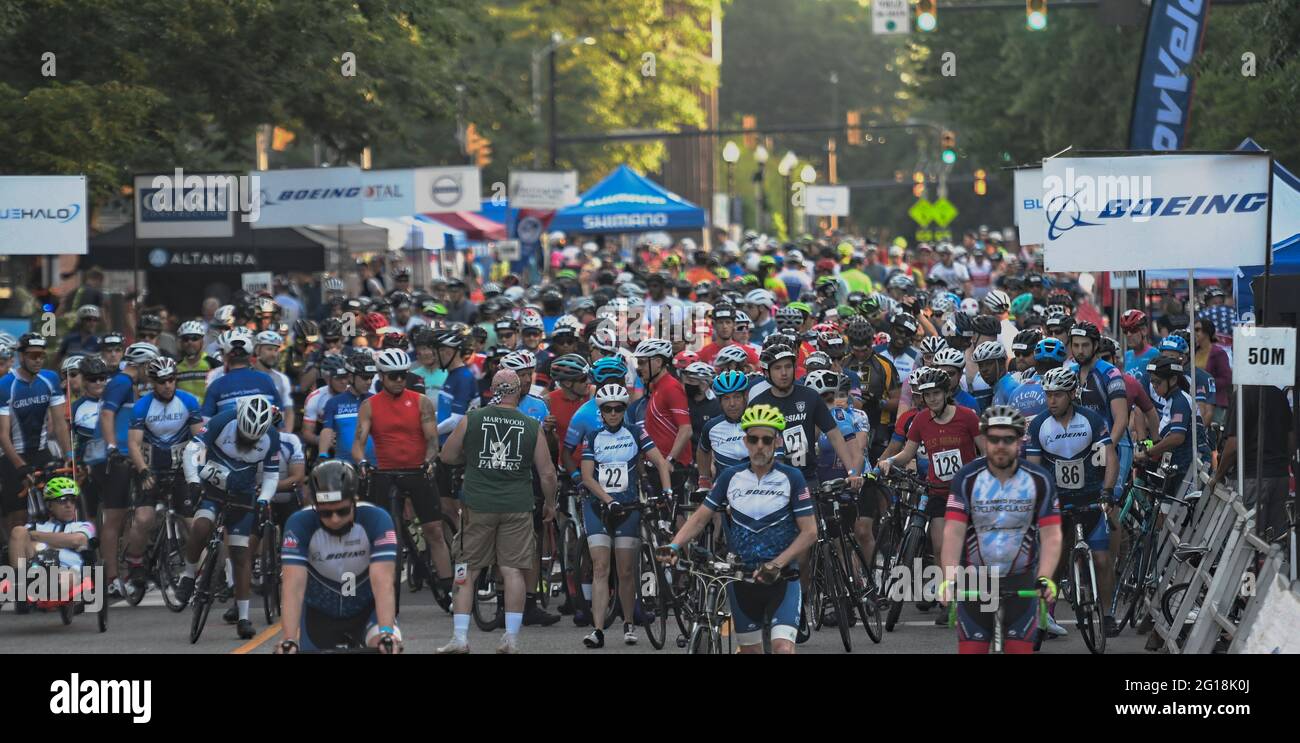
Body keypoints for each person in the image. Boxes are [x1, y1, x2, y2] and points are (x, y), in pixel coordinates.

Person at [657, 404, 817, 654]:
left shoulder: (792, 477)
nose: (760, 446)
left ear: (776, 441)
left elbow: (810, 532)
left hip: (781, 579)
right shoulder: (730, 477)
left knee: (783, 649)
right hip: (741, 578)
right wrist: (675, 544)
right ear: (745, 441)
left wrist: (777, 564)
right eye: (753, 439)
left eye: (766, 439)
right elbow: (700, 518)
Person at [436, 370, 558, 655]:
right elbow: (548, 473)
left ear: (492, 390)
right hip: (517, 505)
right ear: (518, 391)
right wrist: (550, 504)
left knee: (467, 568)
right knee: (513, 570)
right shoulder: (531, 424)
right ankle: (511, 639)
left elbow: (448, 455)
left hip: (478, 504)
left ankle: (460, 638)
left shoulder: (473, 418)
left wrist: (473, 456)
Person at [939, 405, 1061, 654]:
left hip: (1022, 581)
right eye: (994, 439)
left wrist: (1045, 576)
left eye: (1008, 439)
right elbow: (953, 531)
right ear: (984, 440)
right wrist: (949, 577)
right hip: (976, 582)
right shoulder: (967, 478)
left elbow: (1051, 535)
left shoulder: (1039, 479)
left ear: (1019, 441)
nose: (1001, 445)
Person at [879, 367, 985, 623]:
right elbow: (907, 453)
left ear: (946, 393)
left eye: (936, 393)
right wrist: (888, 462)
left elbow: (984, 452)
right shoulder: (921, 421)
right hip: (937, 492)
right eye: (927, 395)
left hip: (966, 491)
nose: (932, 399)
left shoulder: (967, 417)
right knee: (939, 545)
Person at [352, 348, 452, 606]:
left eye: (403, 376)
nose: (399, 381)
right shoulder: (369, 406)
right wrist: (362, 462)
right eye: (393, 376)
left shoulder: (421, 402)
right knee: (384, 535)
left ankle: (448, 587)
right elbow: (358, 444)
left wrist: (429, 461)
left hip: (417, 470)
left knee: (434, 530)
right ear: (381, 377)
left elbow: (432, 441)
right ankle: (379, 588)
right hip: (384, 473)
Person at [1025, 367, 1118, 638]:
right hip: (1058, 502)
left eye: (1057, 395)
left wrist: (1108, 491)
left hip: (1090, 498)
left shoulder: (1092, 419)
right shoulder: (1039, 424)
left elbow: (1110, 457)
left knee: (1101, 560)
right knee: (1052, 562)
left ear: (1072, 394)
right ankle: (1044, 615)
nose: (1051, 400)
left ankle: (1108, 614)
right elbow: (1034, 469)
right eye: (1048, 395)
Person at [578, 384, 674, 648]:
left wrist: (667, 491)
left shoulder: (635, 432)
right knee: (600, 567)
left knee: (626, 569)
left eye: (618, 408)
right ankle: (597, 629)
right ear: (601, 411)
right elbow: (587, 477)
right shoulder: (593, 437)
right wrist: (608, 500)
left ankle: (629, 622)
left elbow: (660, 462)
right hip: (599, 506)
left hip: (628, 507)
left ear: (624, 409)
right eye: (607, 409)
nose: (612, 413)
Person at [179, 396, 281, 639]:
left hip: (243, 494)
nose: (247, 441)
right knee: (201, 527)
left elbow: (270, 476)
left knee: (240, 554)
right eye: (244, 436)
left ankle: (244, 617)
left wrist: (264, 500)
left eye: (253, 439)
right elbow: (192, 449)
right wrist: (193, 481)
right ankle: (189, 573)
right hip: (212, 486)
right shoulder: (222, 420)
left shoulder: (272, 438)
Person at [276, 461, 402, 654]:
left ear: (355, 501)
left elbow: (383, 583)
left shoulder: (377, 519)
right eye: (325, 513)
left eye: (342, 511)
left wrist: (386, 632)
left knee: (386, 646)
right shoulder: (299, 523)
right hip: (319, 614)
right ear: (315, 506)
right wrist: (289, 639)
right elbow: (293, 587)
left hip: (366, 611)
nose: (335, 519)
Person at [123, 357, 203, 597]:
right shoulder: (142, 406)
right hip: (151, 469)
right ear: (152, 382)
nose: (167, 385)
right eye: (161, 381)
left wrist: (197, 472)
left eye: (171, 379)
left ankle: (196, 573)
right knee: (144, 518)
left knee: (191, 523)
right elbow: (134, 445)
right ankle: (136, 565)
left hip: (181, 469)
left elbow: (199, 439)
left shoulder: (188, 402)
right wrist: (143, 471)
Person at [0, 334, 71, 537]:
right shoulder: (6, 385)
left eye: (41, 355)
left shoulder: (50, 379)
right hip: (13, 456)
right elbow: (3, 435)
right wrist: (20, 467)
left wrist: (69, 455)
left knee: (55, 506)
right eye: (33, 356)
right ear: (21, 357)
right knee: (18, 517)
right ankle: (13, 561)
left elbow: (59, 423)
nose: (38, 360)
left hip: (42, 451)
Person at [1208, 385, 1294, 542]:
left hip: (1251, 479)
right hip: (1279, 477)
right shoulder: (1278, 394)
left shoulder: (1241, 395)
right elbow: (1291, 439)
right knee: (1275, 543)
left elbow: (1233, 445)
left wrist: (1217, 476)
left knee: (1246, 541)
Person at [7, 477, 95, 611]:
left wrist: (37, 535)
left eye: (72, 500)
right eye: (62, 501)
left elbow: (77, 540)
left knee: (63, 579)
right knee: (18, 531)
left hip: (68, 570)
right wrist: (56, 540)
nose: (69, 505)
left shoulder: (83, 525)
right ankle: (19, 583)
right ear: (49, 505)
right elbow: (20, 539)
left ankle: (45, 588)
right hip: (36, 567)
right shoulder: (35, 526)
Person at [633, 339, 695, 494]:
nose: (639, 368)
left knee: (676, 517)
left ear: (658, 361)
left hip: (673, 467)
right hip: (658, 466)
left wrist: (669, 460)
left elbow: (686, 429)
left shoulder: (671, 387)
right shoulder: (656, 386)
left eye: (642, 362)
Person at [318, 352, 377, 465]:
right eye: (365, 378)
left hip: (374, 464)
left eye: (371, 377)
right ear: (351, 377)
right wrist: (323, 454)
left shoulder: (376, 400)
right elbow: (327, 430)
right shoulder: (334, 403)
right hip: (345, 466)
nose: (369, 382)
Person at [1194, 317, 1232, 424]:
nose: (1194, 333)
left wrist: (1206, 383)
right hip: (1196, 401)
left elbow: (1226, 379)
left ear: (1207, 332)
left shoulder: (1218, 352)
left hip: (1215, 402)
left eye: (1197, 329)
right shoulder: (1193, 352)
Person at [175, 320, 212, 405]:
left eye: (194, 338)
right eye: (186, 339)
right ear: (181, 343)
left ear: (202, 341)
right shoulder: (175, 367)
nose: (190, 342)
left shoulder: (213, 364)